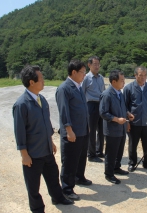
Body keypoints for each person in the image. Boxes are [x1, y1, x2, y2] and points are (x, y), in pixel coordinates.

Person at [13, 65, 73, 213]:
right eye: (41, 79)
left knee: (53, 177)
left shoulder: (42, 100)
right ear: (31, 82)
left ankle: (58, 197)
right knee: (33, 185)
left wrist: (51, 141)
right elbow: (19, 132)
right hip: (33, 154)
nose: (44, 81)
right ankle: (37, 208)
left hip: (46, 149)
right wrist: (24, 155)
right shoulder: (21, 104)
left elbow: (46, 125)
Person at [55, 59, 92, 202]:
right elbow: (64, 112)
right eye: (82, 72)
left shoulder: (78, 87)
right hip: (72, 133)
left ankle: (79, 177)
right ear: (74, 72)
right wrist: (69, 130)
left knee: (81, 157)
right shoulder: (64, 88)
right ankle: (67, 188)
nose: (84, 75)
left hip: (82, 130)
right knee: (69, 160)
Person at [99, 70, 134, 184]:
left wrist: (127, 114)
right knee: (111, 152)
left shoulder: (120, 92)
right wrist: (116, 119)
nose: (124, 82)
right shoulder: (107, 94)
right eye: (122, 80)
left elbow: (123, 107)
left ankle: (116, 167)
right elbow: (103, 113)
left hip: (121, 128)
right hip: (112, 129)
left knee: (119, 150)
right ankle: (109, 174)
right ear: (114, 81)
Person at [123, 66, 147, 172]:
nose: (143, 77)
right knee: (133, 144)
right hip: (134, 122)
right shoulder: (128, 88)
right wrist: (127, 120)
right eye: (140, 75)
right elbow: (124, 106)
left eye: (145, 75)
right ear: (135, 75)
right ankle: (132, 163)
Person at [81, 56, 105, 163]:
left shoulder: (101, 78)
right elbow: (81, 93)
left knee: (102, 130)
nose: (97, 66)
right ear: (89, 65)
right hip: (90, 105)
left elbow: (103, 92)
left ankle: (99, 151)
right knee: (91, 131)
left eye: (98, 64)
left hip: (101, 104)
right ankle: (91, 154)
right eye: (94, 64)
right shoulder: (86, 78)